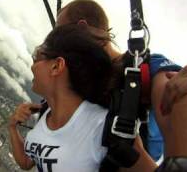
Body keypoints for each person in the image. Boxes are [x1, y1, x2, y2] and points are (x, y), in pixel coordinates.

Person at [55, 0, 182, 162]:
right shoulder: (82, 80)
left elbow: (175, 94)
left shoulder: (145, 67)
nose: (55, 43)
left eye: (58, 33)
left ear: (81, 29)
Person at [9, 24, 120, 172]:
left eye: (37, 56)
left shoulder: (104, 126)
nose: (32, 66)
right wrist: (12, 127)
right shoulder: (45, 118)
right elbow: (26, 161)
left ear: (57, 66)